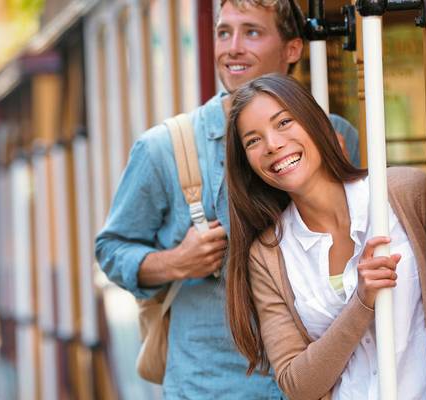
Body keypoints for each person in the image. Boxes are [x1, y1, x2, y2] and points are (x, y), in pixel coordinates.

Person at [95, 0, 359, 397]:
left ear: (292, 49)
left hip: (320, 382)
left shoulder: (337, 136)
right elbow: (111, 249)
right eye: (223, 32)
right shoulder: (164, 147)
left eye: (251, 31)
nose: (232, 47)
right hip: (209, 387)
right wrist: (176, 262)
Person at [225, 74, 426, 399]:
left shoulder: (404, 193)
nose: (272, 145)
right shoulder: (268, 255)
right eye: (253, 141)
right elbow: (298, 386)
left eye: (284, 122)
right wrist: (361, 302)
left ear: (317, 123)